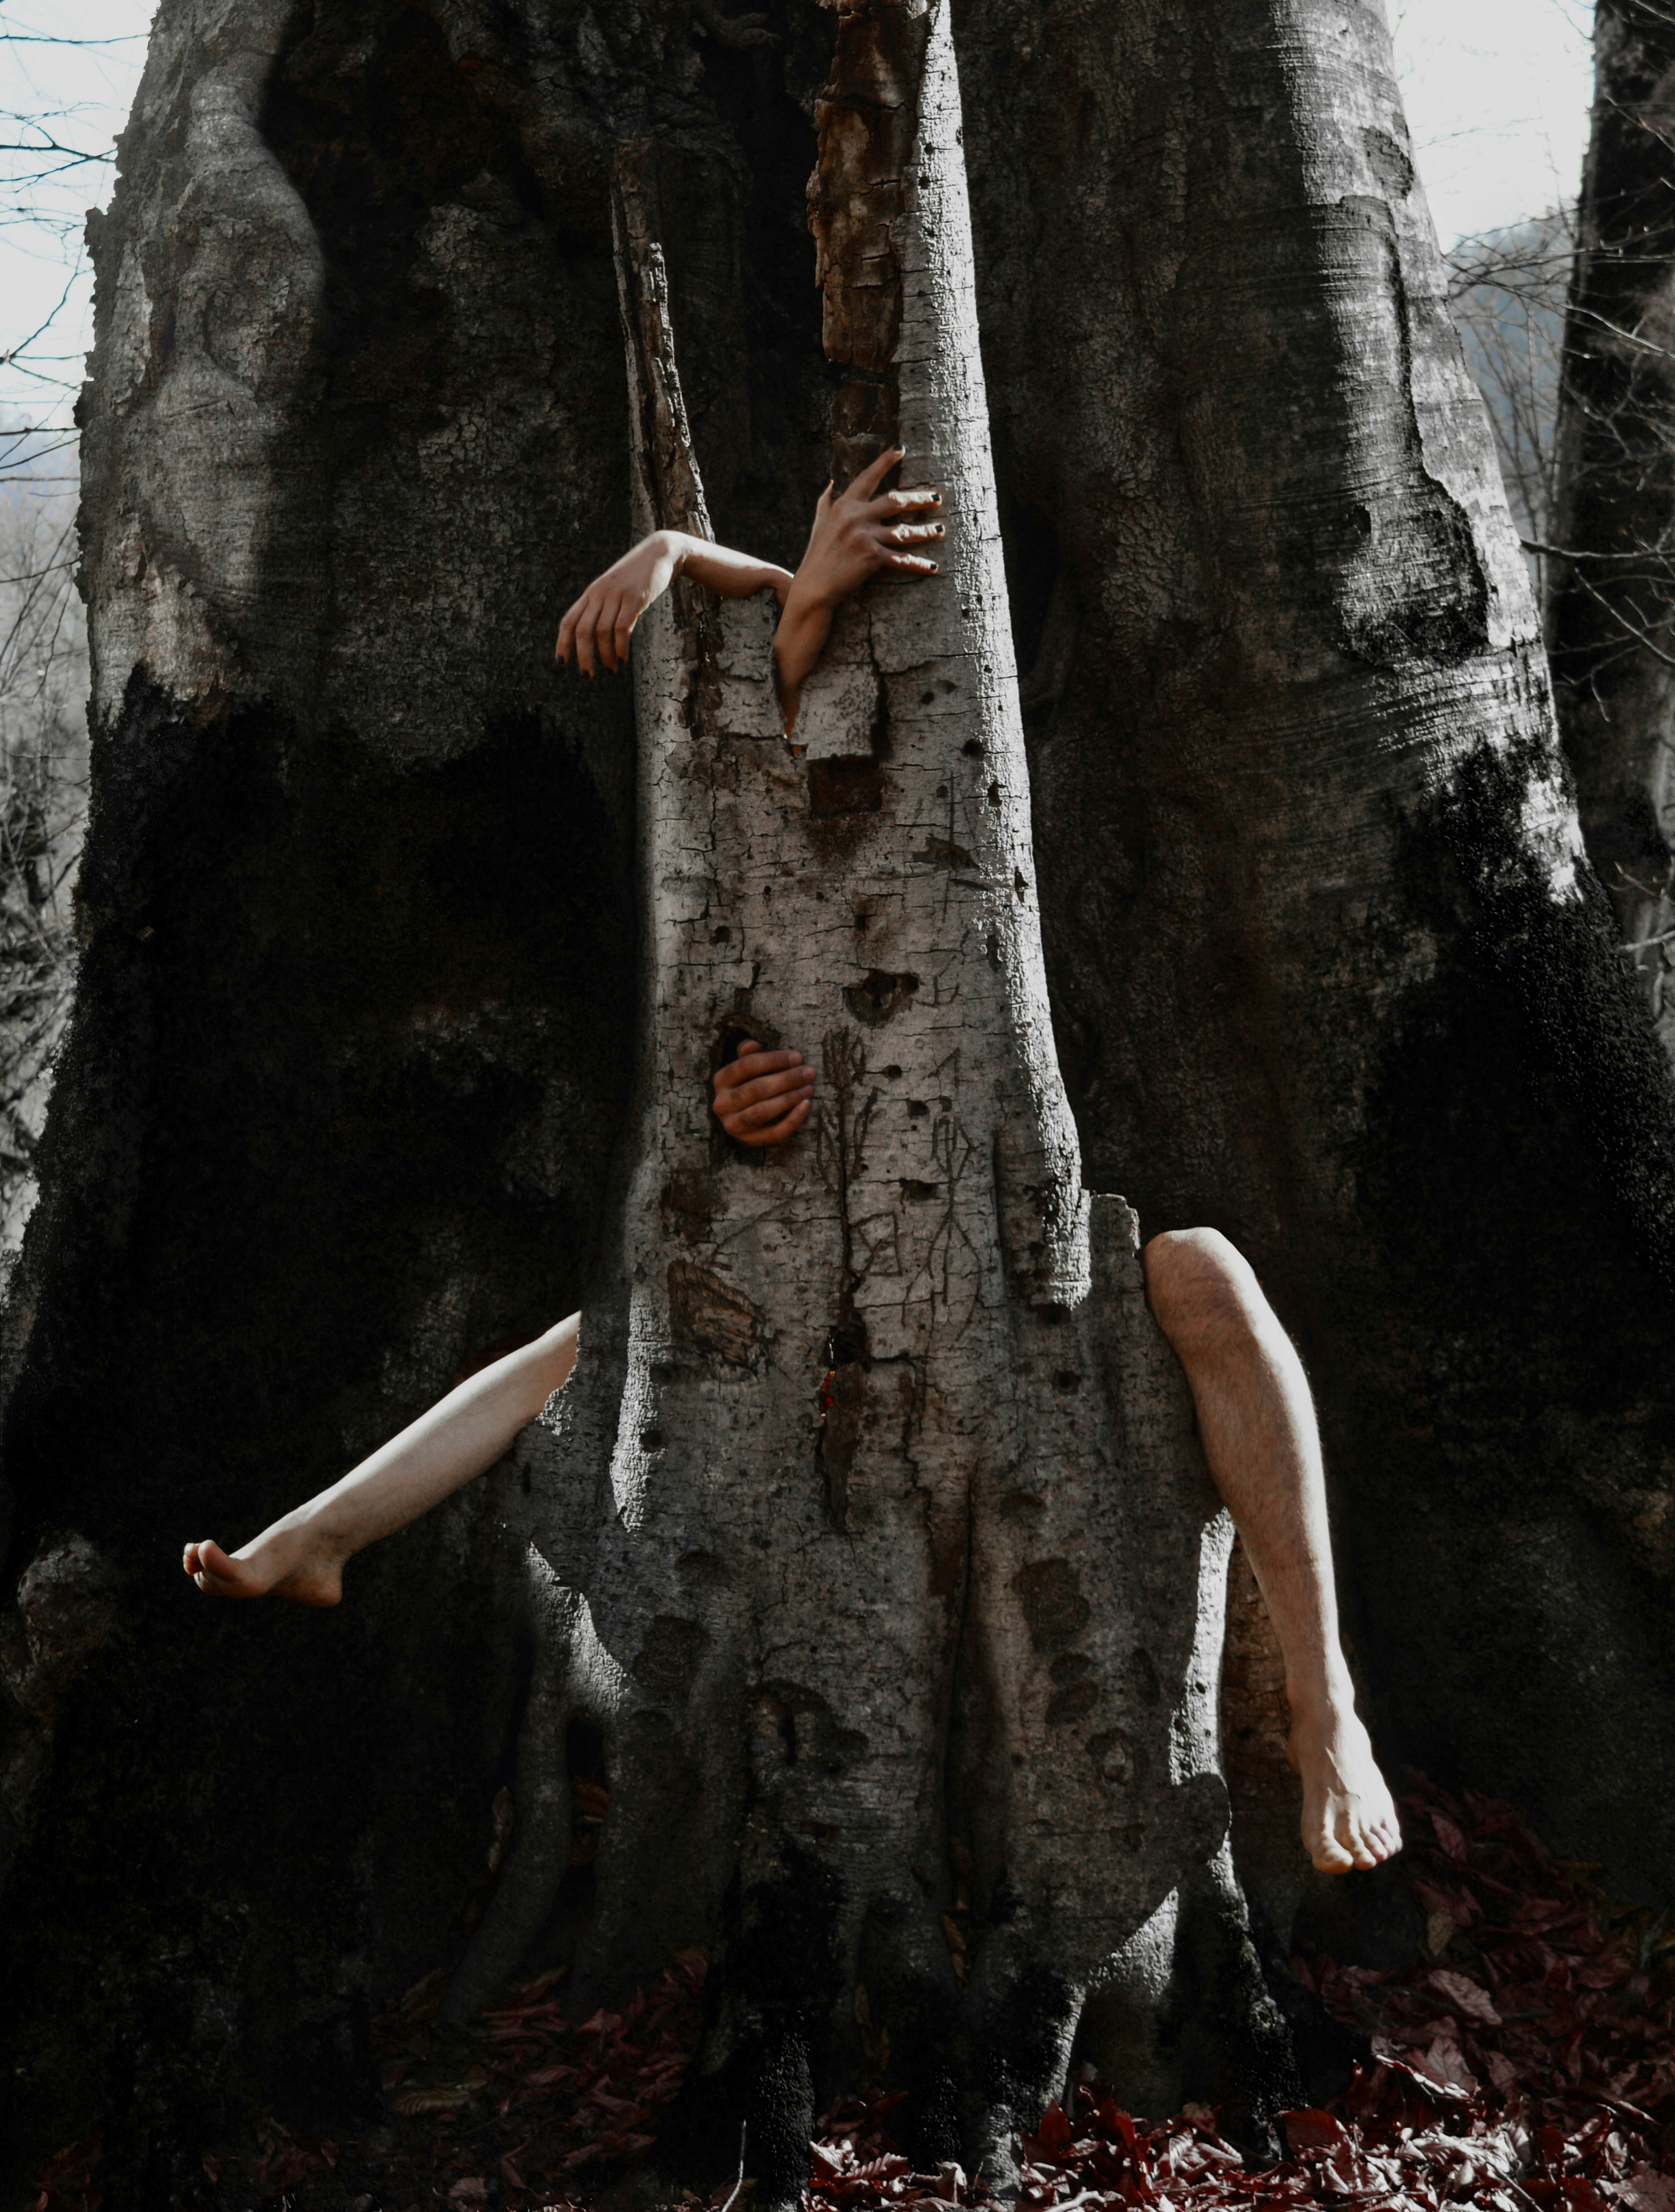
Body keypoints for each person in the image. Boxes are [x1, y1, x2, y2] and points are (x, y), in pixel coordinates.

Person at [184, 452, 1400, 1878]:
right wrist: (690, 556)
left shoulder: (976, 770)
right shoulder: (774, 832)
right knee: (610, 1330)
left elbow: (836, 637)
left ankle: (1332, 1716)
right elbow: (782, 673)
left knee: (1210, 1277)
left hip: (1017, 1267)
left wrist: (697, 553)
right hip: (840, 1274)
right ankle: (324, 1531)